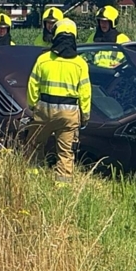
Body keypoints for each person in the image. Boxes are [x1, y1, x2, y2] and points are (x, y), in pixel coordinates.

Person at [26, 18, 91, 182]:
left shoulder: (43, 59)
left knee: (35, 145)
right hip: (68, 114)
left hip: (44, 110)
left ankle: (33, 176)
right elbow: (85, 93)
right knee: (65, 151)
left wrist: (33, 106)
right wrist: (85, 116)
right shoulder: (80, 64)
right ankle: (63, 185)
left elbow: (32, 85)